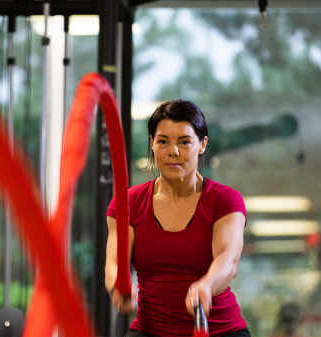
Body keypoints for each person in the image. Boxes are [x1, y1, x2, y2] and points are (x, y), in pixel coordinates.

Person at [105, 100, 250, 337]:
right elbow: (113, 263)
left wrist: (207, 284)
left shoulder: (225, 200)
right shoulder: (128, 203)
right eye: (163, 141)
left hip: (219, 331)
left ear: (202, 145)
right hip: (149, 330)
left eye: (184, 142)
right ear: (151, 143)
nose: (173, 151)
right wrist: (117, 289)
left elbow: (228, 261)